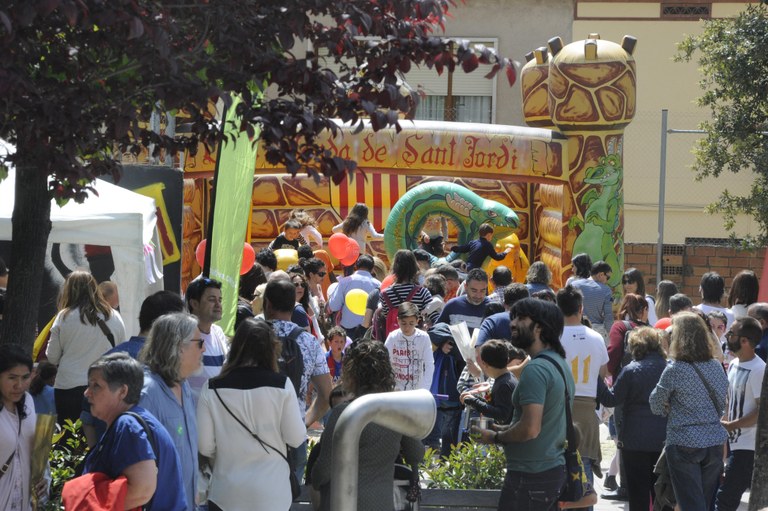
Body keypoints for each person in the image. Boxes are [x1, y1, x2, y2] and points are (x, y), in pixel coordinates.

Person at [473, 298, 573, 511]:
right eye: (513, 317)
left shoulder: (536, 370)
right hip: (548, 470)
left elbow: (530, 428)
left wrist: (497, 437)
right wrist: (507, 428)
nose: (513, 324)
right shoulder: (559, 362)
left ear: (539, 328)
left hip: (531, 476)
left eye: (521, 318)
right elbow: (545, 421)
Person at [197, 319, 306, 511]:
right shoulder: (282, 385)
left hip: (227, 493)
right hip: (273, 493)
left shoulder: (212, 387)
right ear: (272, 349)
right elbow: (296, 438)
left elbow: (205, 447)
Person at [311, 341, 425, 511]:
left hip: (342, 504)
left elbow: (322, 473)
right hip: (382, 504)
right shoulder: (396, 412)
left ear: (350, 372)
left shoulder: (344, 412)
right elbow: (416, 454)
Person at [83, 353, 187, 511]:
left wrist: (86, 504)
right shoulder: (128, 423)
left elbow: (141, 490)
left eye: (96, 385)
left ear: (122, 392)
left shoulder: (128, 425)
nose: (87, 392)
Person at [649, 312, 728, 511]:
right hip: (713, 442)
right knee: (702, 501)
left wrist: (671, 406)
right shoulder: (716, 367)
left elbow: (655, 405)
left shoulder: (675, 369)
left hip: (684, 442)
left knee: (691, 505)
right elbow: (721, 405)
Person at [263, 278, 332, 481]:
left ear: (267, 303)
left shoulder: (251, 335)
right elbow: (327, 394)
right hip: (294, 433)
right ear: (294, 304)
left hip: (254, 430)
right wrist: (304, 422)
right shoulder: (308, 341)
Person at [596, 327, 668, 511]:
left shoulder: (631, 370)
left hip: (634, 440)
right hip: (663, 439)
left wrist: (597, 378)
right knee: (660, 493)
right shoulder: (670, 369)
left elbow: (611, 399)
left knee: (637, 493)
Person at [139, 312, 204, 511]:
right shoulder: (147, 393)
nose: (204, 349)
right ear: (178, 347)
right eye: (199, 343)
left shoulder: (183, 386)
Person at [46, 270, 127, 424]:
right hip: (105, 386)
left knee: (70, 439)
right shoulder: (114, 316)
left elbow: (52, 357)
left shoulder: (64, 317)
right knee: (101, 439)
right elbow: (121, 351)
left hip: (69, 387)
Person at [557, 284, 608, 503]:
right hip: (587, 410)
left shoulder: (553, 337)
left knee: (559, 468)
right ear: (581, 308)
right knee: (584, 469)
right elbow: (604, 373)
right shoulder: (596, 338)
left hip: (558, 408)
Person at [715, 317, 765, 511]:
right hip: (732, 442)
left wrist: (733, 425)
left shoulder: (759, 369)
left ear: (744, 341)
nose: (727, 336)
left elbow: (762, 411)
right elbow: (730, 401)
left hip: (748, 447)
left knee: (725, 499)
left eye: (731, 333)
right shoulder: (734, 363)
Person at [0, 345, 37, 511]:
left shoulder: (28, 401)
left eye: (25, 377)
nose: (19, 385)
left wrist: (43, 476)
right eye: (12, 378)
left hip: (24, 501)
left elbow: (35, 447)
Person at [185, 277, 229, 405]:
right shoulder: (183, 335)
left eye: (219, 300)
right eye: (211, 300)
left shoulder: (218, 332)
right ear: (194, 304)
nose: (218, 304)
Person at [461, 340, 522, 425]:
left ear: (484, 364)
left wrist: (474, 401)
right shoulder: (506, 378)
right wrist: (475, 398)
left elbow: (501, 415)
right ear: (507, 359)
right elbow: (494, 406)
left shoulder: (504, 384)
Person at [328, 255, 381, 339]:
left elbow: (334, 306)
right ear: (372, 268)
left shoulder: (344, 282)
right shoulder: (378, 285)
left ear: (356, 266)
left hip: (347, 331)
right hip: (368, 332)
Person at [385, 302, 434, 391]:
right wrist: (390, 386)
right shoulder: (392, 337)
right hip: (396, 390)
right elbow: (385, 362)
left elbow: (429, 364)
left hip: (417, 390)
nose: (407, 328)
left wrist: (425, 389)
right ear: (398, 320)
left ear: (417, 321)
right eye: (403, 323)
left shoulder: (424, 337)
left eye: (411, 323)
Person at [607, 293, 649, 379]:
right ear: (644, 310)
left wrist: (608, 372)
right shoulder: (651, 330)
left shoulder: (619, 327)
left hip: (624, 380)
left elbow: (613, 352)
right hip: (648, 380)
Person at [569, 258, 613, 339]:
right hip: (597, 332)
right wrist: (610, 334)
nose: (607, 281)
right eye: (608, 277)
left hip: (576, 329)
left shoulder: (574, 285)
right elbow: (608, 315)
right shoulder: (606, 290)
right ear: (601, 275)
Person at [436, 268, 490, 334]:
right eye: (474, 291)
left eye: (482, 290)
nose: (478, 296)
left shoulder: (492, 308)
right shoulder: (452, 305)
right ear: (466, 287)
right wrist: (444, 343)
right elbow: (436, 329)